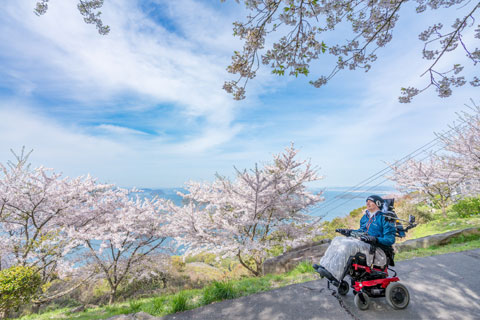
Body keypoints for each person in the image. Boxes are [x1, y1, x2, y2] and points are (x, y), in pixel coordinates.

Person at [313, 195, 397, 284]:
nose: (367, 203)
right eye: (366, 201)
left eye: (370, 201)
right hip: (363, 243)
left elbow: (390, 239)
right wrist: (349, 232)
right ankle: (324, 267)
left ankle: (335, 275)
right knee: (337, 240)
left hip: (376, 248)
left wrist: (375, 239)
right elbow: (361, 231)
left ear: (378, 203)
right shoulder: (365, 217)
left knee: (347, 245)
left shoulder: (385, 218)